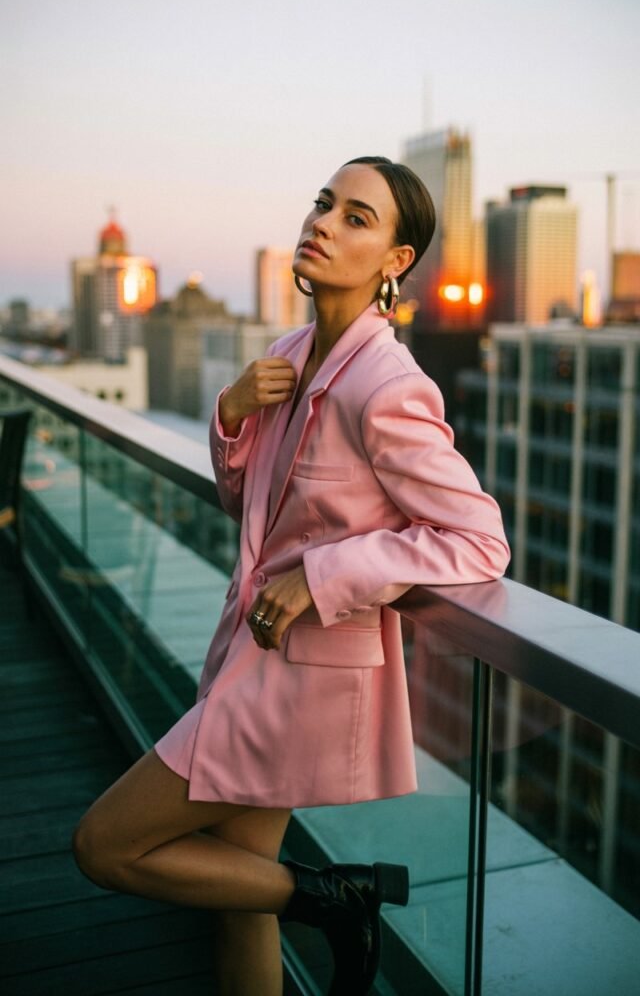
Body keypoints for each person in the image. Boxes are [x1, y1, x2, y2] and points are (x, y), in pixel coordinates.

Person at [72, 156, 510, 995]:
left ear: (396, 261)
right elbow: (250, 506)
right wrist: (232, 415)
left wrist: (325, 574)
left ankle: (337, 901)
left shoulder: (389, 384)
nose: (323, 223)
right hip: (253, 654)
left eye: (356, 218)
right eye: (324, 204)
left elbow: (478, 539)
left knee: (105, 843)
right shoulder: (288, 354)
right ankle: (324, 901)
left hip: (302, 682)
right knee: (238, 899)